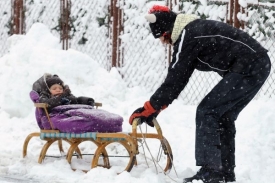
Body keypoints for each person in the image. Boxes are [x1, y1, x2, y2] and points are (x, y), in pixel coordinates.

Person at [128, 5, 271, 183]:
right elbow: (179, 78)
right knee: (223, 115)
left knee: (207, 110)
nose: (165, 42)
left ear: (168, 29)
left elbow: (175, 78)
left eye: (163, 37)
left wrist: (149, 108)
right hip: (258, 64)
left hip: (250, 65)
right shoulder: (194, 31)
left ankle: (212, 172)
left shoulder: (189, 35)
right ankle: (225, 172)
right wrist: (156, 108)